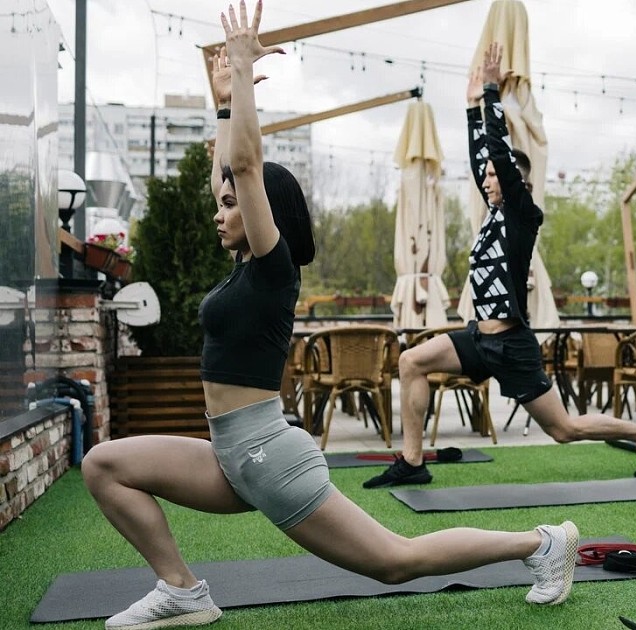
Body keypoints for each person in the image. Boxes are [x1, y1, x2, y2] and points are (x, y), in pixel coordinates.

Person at [81, 4, 579, 629]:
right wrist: (224, 107)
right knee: (105, 465)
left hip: (269, 456)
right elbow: (231, 173)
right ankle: (182, 591)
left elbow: (246, 168)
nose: (218, 210)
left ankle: (542, 544)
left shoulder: (273, 268)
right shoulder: (242, 266)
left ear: (264, 214)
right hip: (228, 453)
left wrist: (243, 75)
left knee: (395, 561)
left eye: (231, 205)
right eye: (222, 202)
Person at [363, 42, 636, 489]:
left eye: (495, 175)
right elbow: (483, 156)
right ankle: (412, 461)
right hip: (479, 338)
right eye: (488, 175)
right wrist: (471, 108)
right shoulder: (493, 213)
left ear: (518, 181)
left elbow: (497, 151)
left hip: (511, 345)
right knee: (412, 361)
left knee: (563, 429)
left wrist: (492, 93)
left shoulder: (523, 215)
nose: (486, 179)